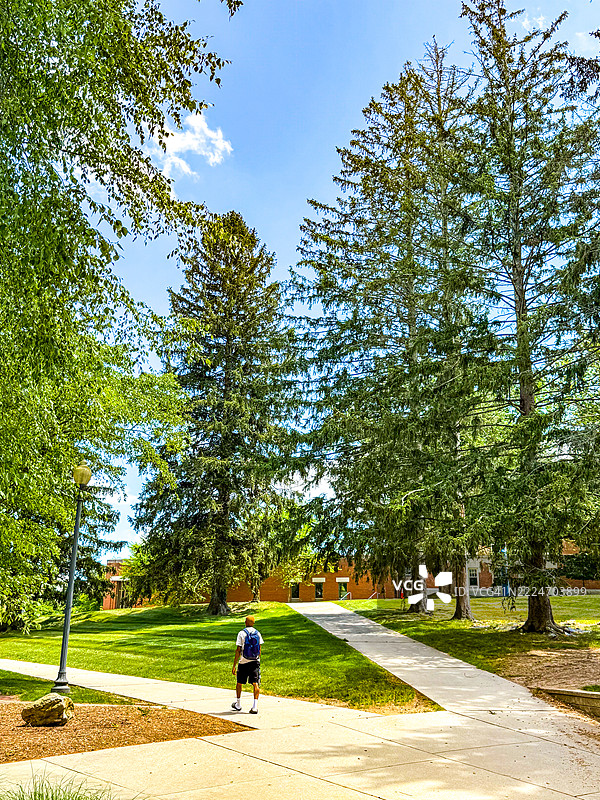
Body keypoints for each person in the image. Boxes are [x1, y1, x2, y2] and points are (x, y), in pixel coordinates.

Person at [232, 615, 263, 714]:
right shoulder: (258, 633)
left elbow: (238, 650)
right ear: (253, 623)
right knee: (255, 683)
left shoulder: (241, 633)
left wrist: (234, 665)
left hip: (243, 661)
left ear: (245, 622)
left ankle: (238, 704)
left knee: (239, 682)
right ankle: (254, 706)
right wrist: (258, 661)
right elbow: (259, 649)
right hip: (255, 661)